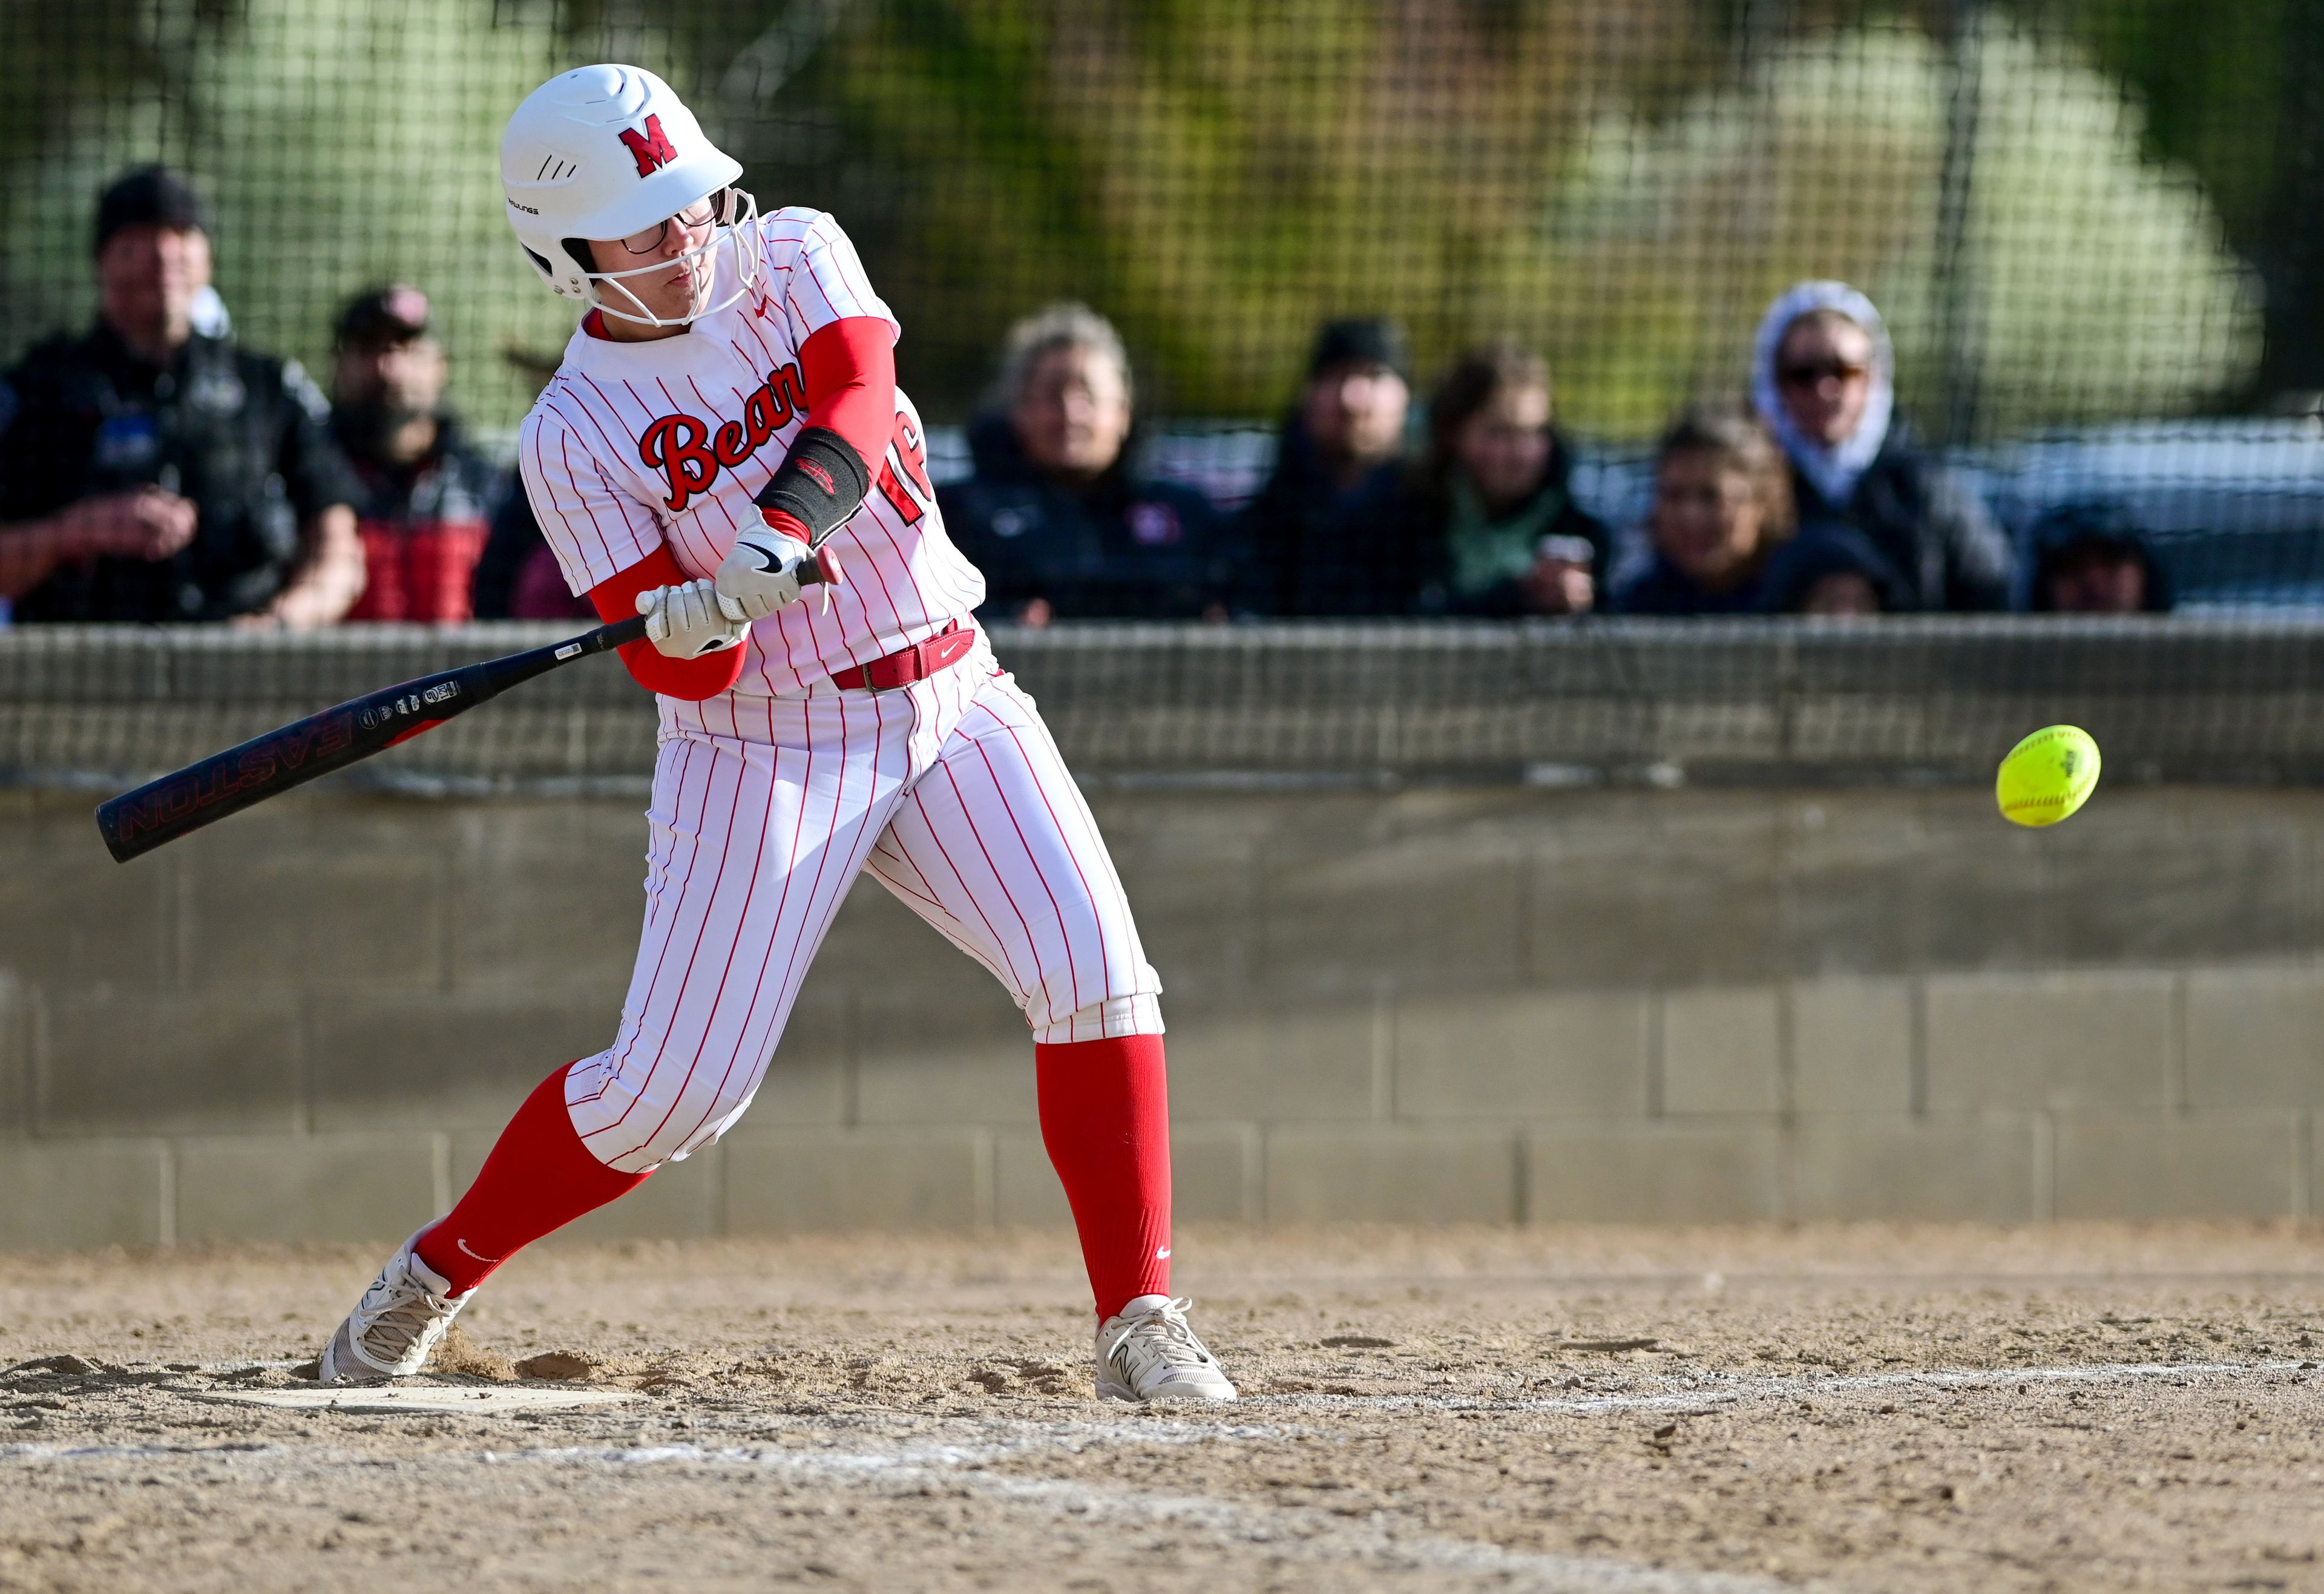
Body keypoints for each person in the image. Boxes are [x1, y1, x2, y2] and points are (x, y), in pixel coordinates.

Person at [314, 65, 1236, 1405]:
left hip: (952, 686)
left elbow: (857, 401)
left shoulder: (796, 252)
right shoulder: (572, 435)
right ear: (564, 255)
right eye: (643, 225)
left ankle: (1138, 1317)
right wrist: (694, 626)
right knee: (669, 1096)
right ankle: (436, 1269)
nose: (684, 238)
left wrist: (775, 533)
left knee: (1098, 973)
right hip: (766, 744)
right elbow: (691, 682)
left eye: (687, 203)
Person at [0, 167, 362, 625]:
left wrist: (279, 626)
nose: (164, 254)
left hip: (240, 676)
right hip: (81, 674)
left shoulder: (267, 388)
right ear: (103, 260)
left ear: (207, 258)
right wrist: (78, 530)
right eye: (142, 238)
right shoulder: (39, 389)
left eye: (182, 235)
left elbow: (341, 555)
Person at [937, 303, 1235, 624]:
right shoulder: (957, 517)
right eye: (1053, 395)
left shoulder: (1188, 516)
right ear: (1019, 409)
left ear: (1124, 411)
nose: (1071, 415)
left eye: (1089, 396)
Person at [1751, 281, 2011, 612]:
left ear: (1874, 375)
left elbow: (1990, 587)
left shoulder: (1924, 487)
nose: (1825, 389)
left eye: (1844, 371)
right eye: (1804, 374)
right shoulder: (1745, 488)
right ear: (1774, 381)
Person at [1327, 342, 1609, 617]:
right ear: (1453, 434)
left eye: (1534, 432)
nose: (1520, 454)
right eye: (1499, 432)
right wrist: (1516, 598)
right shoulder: (1396, 526)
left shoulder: (1584, 536)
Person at [331, 286, 498, 623]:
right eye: (369, 349)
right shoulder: (307, 477)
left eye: (405, 348)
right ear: (339, 364)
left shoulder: (487, 485)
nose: (388, 367)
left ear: (440, 364)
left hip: (466, 671)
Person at [1240, 318, 1412, 615]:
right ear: (1309, 394)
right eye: (1337, 376)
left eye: (1373, 376)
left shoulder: (1433, 524)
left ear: (1405, 396)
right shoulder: (1263, 530)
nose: (1352, 400)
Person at [1615, 407, 1797, 615]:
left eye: (1711, 497)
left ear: (1762, 502)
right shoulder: (1640, 606)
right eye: (1674, 495)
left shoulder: (1803, 599)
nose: (1690, 516)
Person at [2028, 502, 2173, 614]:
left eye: (2111, 561)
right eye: (2072, 565)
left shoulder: (2186, 646)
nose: (2094, 580)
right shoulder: (2017, 650)